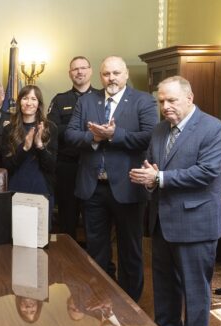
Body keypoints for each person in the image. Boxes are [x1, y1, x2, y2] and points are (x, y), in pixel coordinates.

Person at [129, 76, 221, 326]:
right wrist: (148, 179)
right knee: (164, 288)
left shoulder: (213, 128)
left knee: (196, 292)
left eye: (171, 100)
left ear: (189, 98)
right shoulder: (160, 130)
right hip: (162, 223)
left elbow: (207, 173)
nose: (165, 106)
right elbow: (153, 166)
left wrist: (158, 178)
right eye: (161, 101)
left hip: (195, 225)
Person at [66, 56, 158, 302]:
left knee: (131, 250)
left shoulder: (143, 100)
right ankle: (102, 298)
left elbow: (150, 137)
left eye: (117, 73)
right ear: (100, 76)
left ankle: (129, 303)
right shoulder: (87, 101)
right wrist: (94, 138)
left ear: (126, 74)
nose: (112, 78)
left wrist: (115, 135)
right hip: (93, 188)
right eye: (107, 74)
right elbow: (70, 135)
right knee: (96, 250)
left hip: (128, 187)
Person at [47, 57, 101, 240]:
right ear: (70, 73)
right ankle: (67, 261)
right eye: (75, 69)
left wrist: (72, 130)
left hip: (94, 165)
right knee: (66, 218)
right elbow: (53, 129)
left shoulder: (101, 98)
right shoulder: (60, 100)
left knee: (94, 218)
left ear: (90, 71)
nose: (79, 72)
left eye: (83, 68)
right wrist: (87, 131)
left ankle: (94, 263)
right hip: (67, 166)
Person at [0, 85, 58, 207]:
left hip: (42, 189)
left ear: (39, 104)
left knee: (40, 226)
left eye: (33, 99)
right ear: (19, 101)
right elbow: (7, 166)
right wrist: (25, 148)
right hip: (15, 188)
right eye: (25, 98)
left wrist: (39, 146)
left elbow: (51, 166)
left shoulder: (50, 128)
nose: (29, 103)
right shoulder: (8, 129)